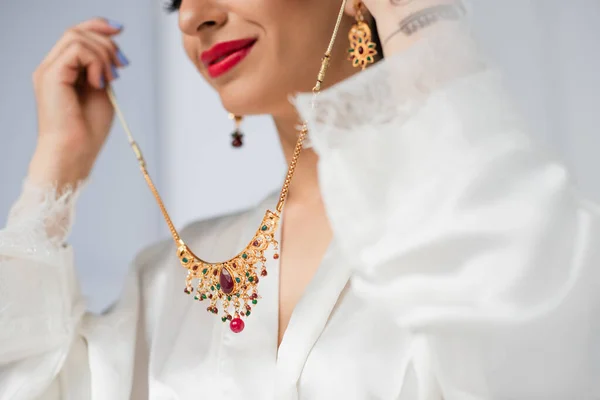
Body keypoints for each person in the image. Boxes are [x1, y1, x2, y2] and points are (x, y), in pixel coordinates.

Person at [1, 0, 599, 399]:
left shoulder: (507, 229)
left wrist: (424, 40)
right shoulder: (167, 280)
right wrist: (57, 165)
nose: (193, 18)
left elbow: (528, 354)